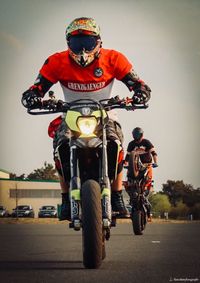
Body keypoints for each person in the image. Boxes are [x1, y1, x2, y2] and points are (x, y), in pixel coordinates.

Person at [21, 17, 151, 220]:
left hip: (106, 113)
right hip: (70, 114)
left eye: (87, 42)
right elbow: (37, 87)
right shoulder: (56, 61)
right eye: (76, 42)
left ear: (99, 42)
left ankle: (116, 194)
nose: (82, 49)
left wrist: (140, 92)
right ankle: (65, 199)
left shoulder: (114, 58)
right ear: (68, 44)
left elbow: (138, 83)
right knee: (60, 145)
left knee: (115, 143)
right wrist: (32, 97)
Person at [124, 127, 158, 194]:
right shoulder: (131, 144)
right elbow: (127, 156)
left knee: (148, 178)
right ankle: (130, 190)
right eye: (135, 135)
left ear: (142, 135)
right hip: (134, 165)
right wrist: (125, 163)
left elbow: (154, 153)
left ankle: (146, 189)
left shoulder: (146, 142)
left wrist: (155, 162)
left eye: (138, 135)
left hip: (147, 164)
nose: (136, 137)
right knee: (128, 178)